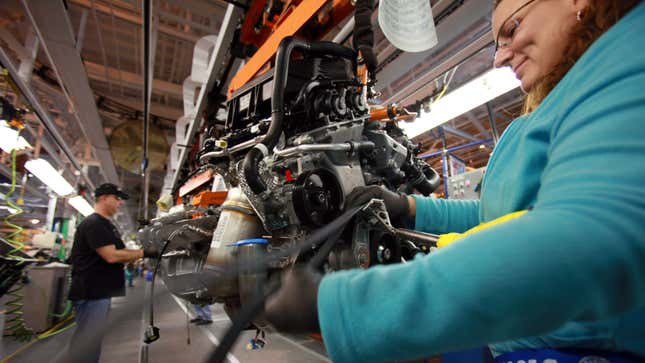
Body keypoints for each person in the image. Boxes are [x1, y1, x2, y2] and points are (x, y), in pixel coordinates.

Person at [265, 1, 645, 362]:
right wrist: (409, 208)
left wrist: (345, 305)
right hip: (511, 342)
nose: (500, 57)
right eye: (499, 43)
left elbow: (584, 242)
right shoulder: (543, 112)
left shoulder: (630, 56)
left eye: (513, 29)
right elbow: (496, 215)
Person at [67, 183, 157, 363]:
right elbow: (111, 256)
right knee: (87, 342)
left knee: (91, 341)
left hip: (99, 292)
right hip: (92, 292)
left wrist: (139, 253)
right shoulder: (94, 224)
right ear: (103, 198)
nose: (120, 203)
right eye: (116, 198)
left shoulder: (107, 226)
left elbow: (121, 254)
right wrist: (145, 252)